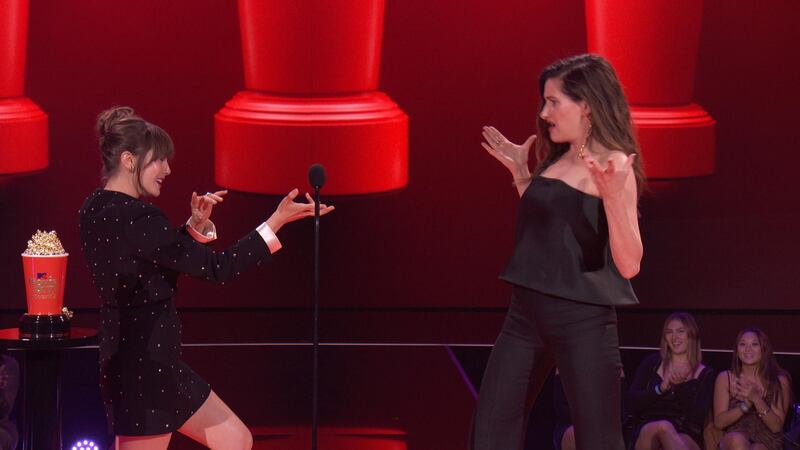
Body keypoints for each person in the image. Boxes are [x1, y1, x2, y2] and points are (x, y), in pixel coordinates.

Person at [79, 106, 333, 450]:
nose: (167, 170)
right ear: (128, 159)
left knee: (235, 439)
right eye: (158, 160)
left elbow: (146, 264)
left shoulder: (95, 208)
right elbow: (218, 268)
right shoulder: (140, 217)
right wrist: (275, 222)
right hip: (144, 369)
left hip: (147, 361)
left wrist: (191, 229)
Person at [470, 53, 644, 450]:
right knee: (492, 426)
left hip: (582, 319)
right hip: (524, 315)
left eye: (554, 102)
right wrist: (520, 173)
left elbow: (630, 264)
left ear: (586, 105)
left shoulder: (614, 164)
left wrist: (615, 199)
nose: (545, 112)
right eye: (544, 101)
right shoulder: (558, 157)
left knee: (598, 437)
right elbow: (552, 225)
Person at [625, 312, 715, 450]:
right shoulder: (651, 363)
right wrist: (659, 389)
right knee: (663, 426)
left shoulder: (706, 373)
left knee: (667, 429)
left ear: (692, 334)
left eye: (680, 331)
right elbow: (631, 402)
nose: (674, 337)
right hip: (648, 428)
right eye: (669, 332)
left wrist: (679, 388)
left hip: (686, 432)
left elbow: (697, 415)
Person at [712, 327, 791, 450]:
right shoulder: (725, 378)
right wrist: (746, 404)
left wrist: (756, 399)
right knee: (737, 440)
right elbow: (719, 422)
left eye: (754, 344)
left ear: (763, 349)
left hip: (768, 442)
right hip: (733, 441)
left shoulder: (779, 380)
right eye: (743, 344)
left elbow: (776, 426)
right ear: (737, 350)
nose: (748, 349)